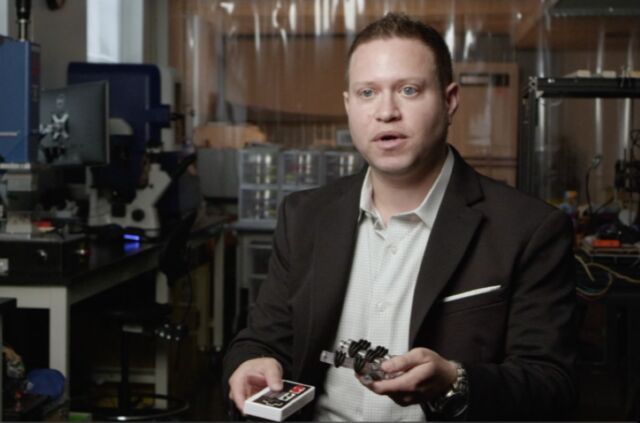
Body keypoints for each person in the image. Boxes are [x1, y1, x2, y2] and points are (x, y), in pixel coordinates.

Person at [223, 12, 576, 421]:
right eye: (367, 93)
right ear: (349, 105)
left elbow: (552, 385)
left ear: (450, 101)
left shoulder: (528, 229)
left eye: (408, 90)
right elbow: (261, 341)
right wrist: (248, 364)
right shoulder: (305, 217)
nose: (386, 112)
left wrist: (455, 382)